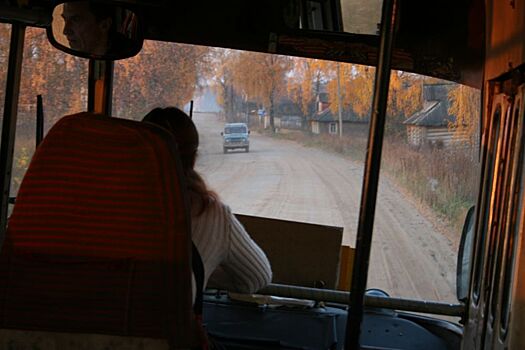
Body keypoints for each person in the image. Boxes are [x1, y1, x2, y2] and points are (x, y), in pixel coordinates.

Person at [142, 107, 272, 297]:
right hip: (164, 325)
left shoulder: (103, 201)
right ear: (193, 158)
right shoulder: (209, 213)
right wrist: (201, 272)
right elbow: (258, 277)